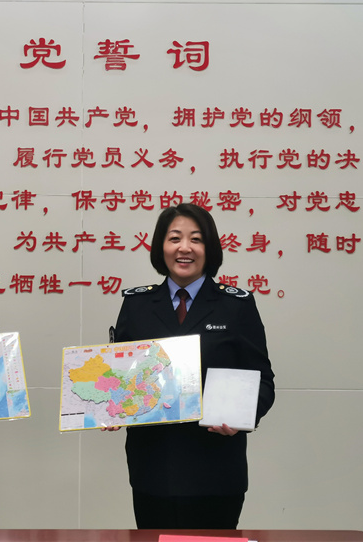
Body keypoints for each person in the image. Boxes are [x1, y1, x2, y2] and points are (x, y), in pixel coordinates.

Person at [110, 203, 274, 529]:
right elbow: (120, 376)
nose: (184, 248)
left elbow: (263, 381)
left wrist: (242, 416)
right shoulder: (136, 305)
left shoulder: (236, 306)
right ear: (161, 247)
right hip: (153, 469)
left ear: (209, 248)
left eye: (196, 239)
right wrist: (111, 407)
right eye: (175, 238)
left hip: (216, 470)